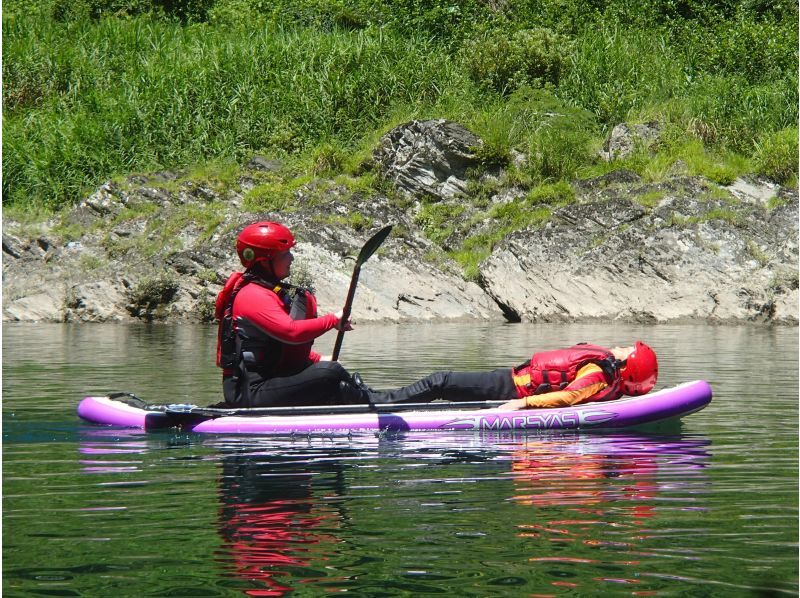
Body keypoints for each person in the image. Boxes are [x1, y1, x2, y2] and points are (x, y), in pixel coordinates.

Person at [215, 221, 365, 408]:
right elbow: (291, 332)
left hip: (269, 383)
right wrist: (333, 320)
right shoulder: (251, 295)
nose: (291, 258)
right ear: (264, 261)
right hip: (249, 392)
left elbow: (277, 347)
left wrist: (317, 359)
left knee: (330, 373)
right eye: (285, 254)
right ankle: (371, 402)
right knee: (330, 372)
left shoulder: (268, 291)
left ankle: (366, 399)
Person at [366, 342, 659, 409]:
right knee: (443, 382)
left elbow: (570, 396)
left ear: (626, 367)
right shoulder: (609, 377)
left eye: (625, 350)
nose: (618, 346)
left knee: (441, 381)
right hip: (509, 379)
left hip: (510, 391)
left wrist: (523, 404)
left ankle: (379, 403)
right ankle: (379, 398)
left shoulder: (598, 373)